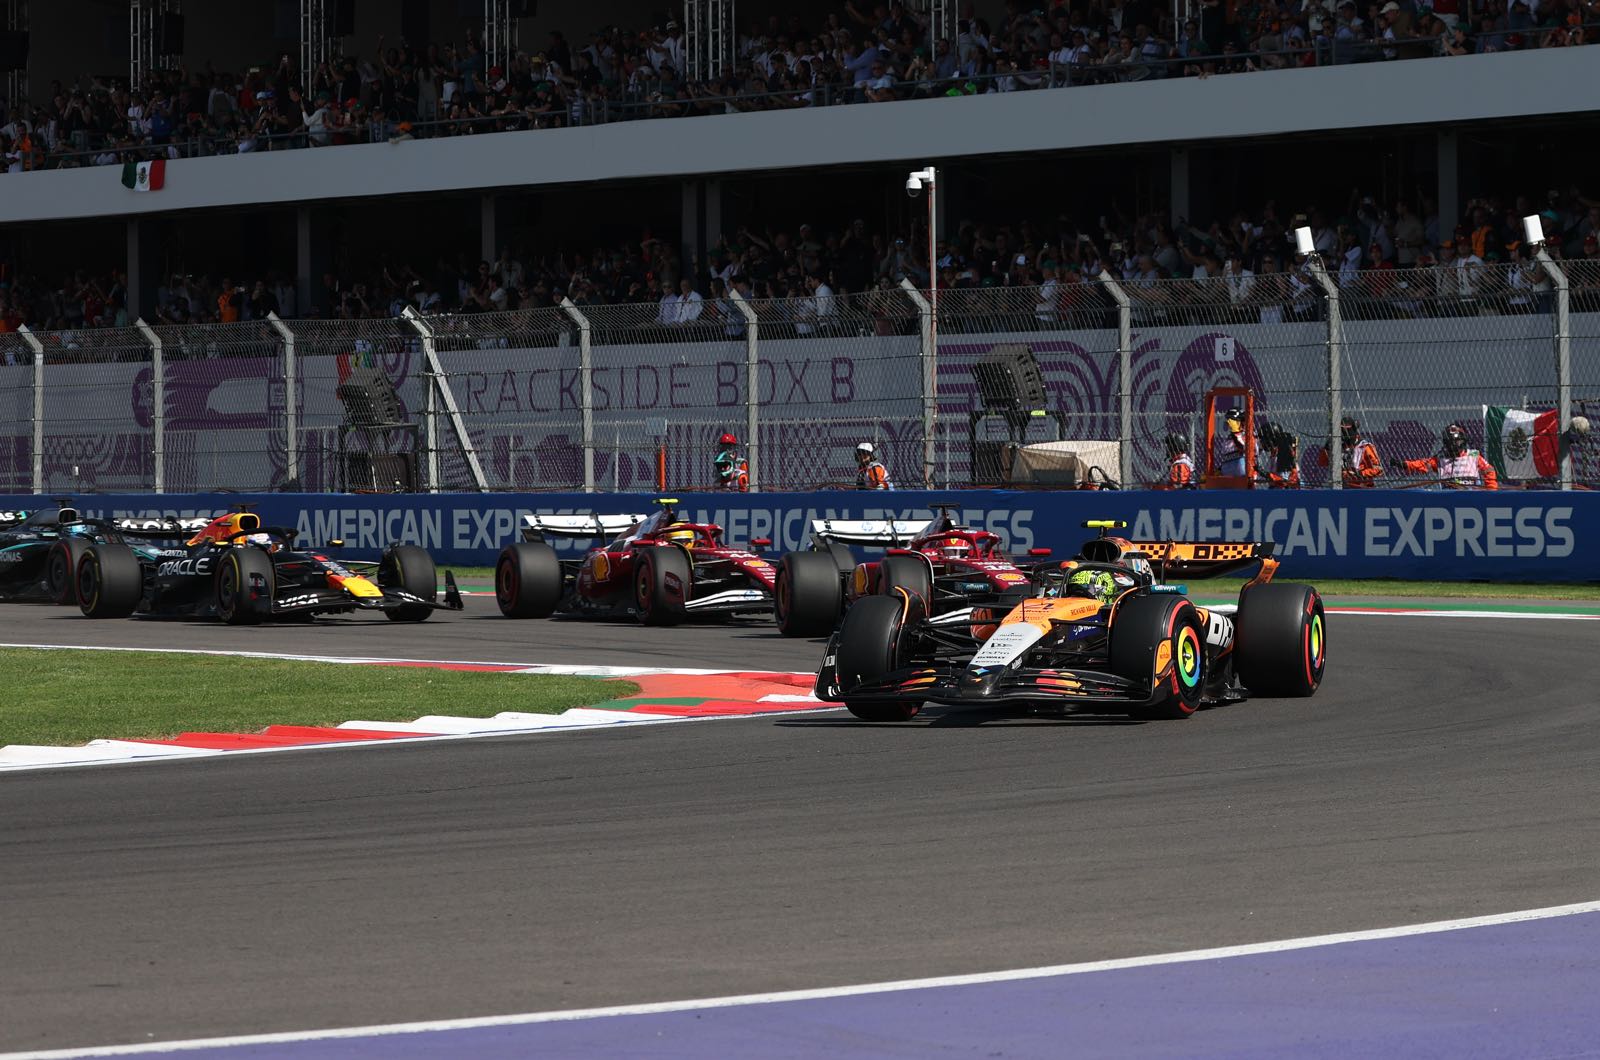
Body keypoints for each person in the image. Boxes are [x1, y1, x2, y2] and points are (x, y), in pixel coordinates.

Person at [1394, 422, 1498, 489]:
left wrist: (1491, 491)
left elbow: (1489, 470)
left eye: (1457, 441)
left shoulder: (1474, 456)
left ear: (1463, 441)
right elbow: (1423, 464)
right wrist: (1405, 464)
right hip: (1448, 498)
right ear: (1446, 443)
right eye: (1451, 442)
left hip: (1473, 497)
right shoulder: (1440, 459)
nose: (1454, 444)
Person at [1317, 416, 1383, 487]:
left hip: (1362, 487)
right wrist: (1327, 447)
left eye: (1347, 430)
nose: (1345, 433)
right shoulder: (1338, 447)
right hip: (1342, 486)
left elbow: (1378, 469)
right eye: (1342, 430)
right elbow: (1322, 462)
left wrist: (1360, 473)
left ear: (1354, 429)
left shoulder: (1365, 447)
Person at [1217, 407, 1247, 476]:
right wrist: (1219, 470)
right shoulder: (1230, 438)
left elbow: (1243, 447)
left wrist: (1236, 431)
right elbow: (1228, 459)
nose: (1230, 424)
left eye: (1233, 421)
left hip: (1243, 475)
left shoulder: (1248, 434)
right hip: (1229, 475)